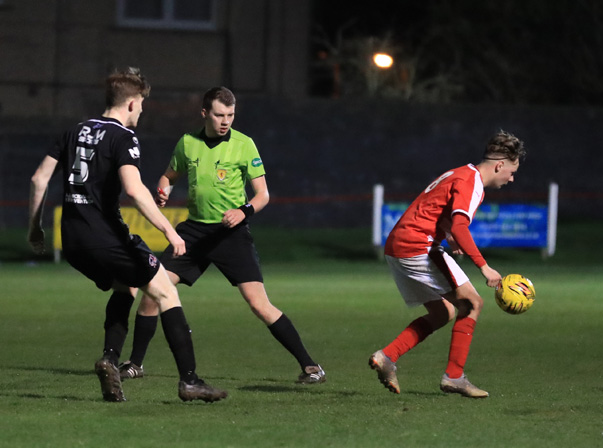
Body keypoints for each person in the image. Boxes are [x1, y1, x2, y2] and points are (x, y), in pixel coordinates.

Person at [26, 68, 227, 403]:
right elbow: (134, 190)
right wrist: (168, 231)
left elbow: (37, 180)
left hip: (73, 242)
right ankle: (190, 381)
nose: (144, 111)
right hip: (106, 237)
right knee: (165, 292)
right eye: (143, 104)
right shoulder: (122, 137)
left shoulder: (73, 130)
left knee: (127, 285)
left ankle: (109, 358)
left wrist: (35, 228)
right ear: (132, 104)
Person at [120, 86, 326, 385]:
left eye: (230, 115)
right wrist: (164, 188)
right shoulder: (188, 143)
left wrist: (244, 211)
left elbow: (263, 195)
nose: (225, 120)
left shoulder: (244, 145)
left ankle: (310, 366)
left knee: (258, 304)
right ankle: (135, 364)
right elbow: (169, 175)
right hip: (193, 233)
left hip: (231, 235)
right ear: (205, 113)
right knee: (153, 292)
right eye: (219, 115)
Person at [369, 130, 525, 398]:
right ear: (499, 165)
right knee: (473, 303)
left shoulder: (460, 173)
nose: (511, 178)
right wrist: (484, 267)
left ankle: (387, 356)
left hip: (398, 245)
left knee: (444, 313)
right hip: (418, 245)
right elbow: (462, 227)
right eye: (511, 172)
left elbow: (437, 210)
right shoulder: (472, 183)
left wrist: (448, 234)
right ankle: (454, 377)